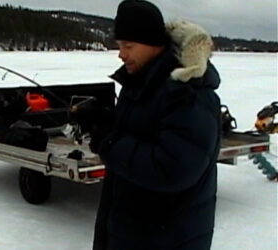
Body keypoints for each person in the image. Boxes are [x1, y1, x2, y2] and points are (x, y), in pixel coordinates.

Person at [90, 0, 221, 249]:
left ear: (154, 45)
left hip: (168, 238)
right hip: (135, 234)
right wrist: (105, 123)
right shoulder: (140, 82)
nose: (121, 53)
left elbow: (173, 168)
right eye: (119, 45)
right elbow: (139, 136)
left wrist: (110, 142)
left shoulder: (187, 92)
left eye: (128, 45)